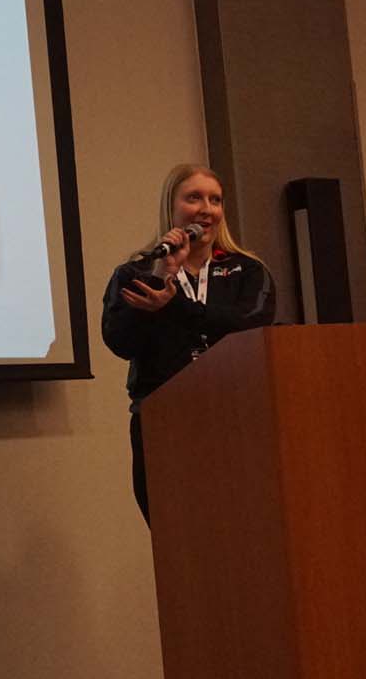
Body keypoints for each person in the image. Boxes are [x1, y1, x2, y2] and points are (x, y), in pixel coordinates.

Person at [101, 164, 273, 523]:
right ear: (172, 206)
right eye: (194, 198)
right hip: (163, 422)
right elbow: (120, 342)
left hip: (235, 418)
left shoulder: (247, 270)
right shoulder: (137, 273)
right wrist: (161, 275)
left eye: (215, 200)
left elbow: (250, 325)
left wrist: (175, 306)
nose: (206, 209)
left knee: (243, 531)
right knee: (175, 535)